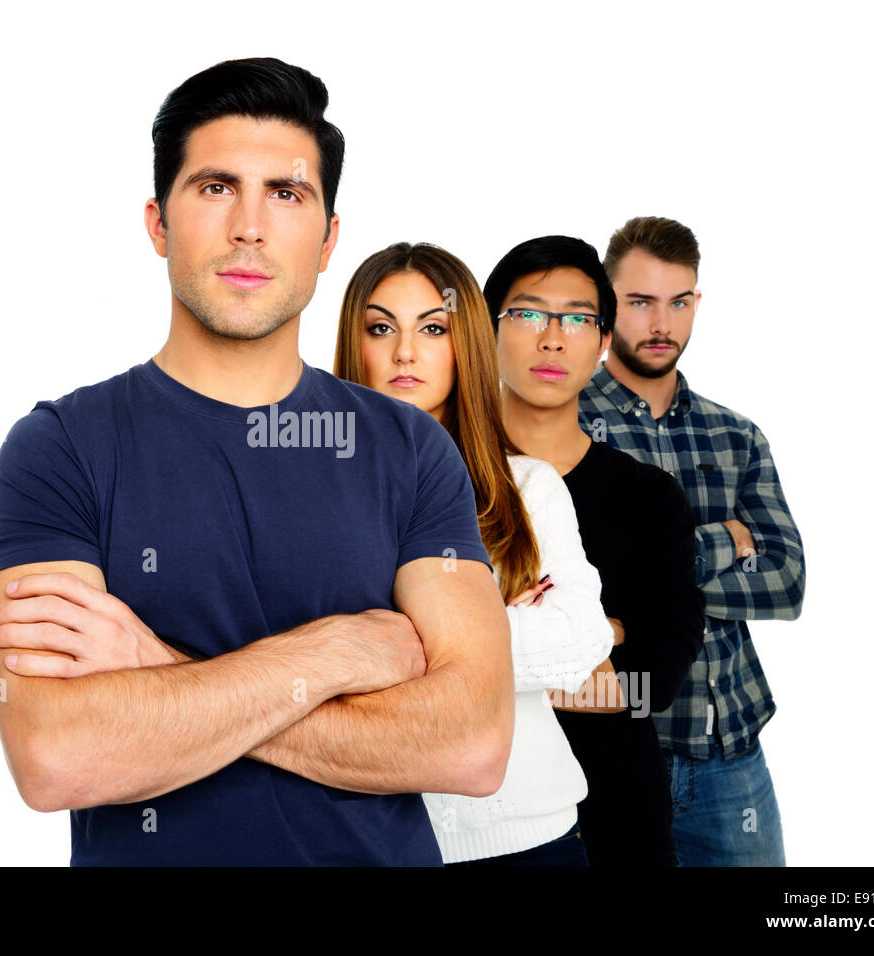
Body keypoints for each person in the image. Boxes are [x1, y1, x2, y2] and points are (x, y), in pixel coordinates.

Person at [0, 57, 515, 866]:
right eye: (217, 187)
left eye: (287, 193)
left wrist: (155, 670)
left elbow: (473, 744)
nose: (250, 228)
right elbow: (58, 756)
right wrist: (335, 653)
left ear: (329, 238)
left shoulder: (408, 449)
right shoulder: (61, 447)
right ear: (159, 223)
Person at [332, 241, 616, 866]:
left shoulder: (530, 487)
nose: (405, 351)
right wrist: (492, 621)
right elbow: (294, 656)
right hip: (370, 832)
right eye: (381, 328)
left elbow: (579, 644)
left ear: (466, 345)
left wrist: (385, 639)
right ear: (355, 345)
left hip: (530, 836)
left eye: (433, 328)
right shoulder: (310, 493)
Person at [579, 216, 806, 866]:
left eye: (679, 302)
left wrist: (655, 575)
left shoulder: (736, 436)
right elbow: (580, 588)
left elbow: (787, 580)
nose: (662, 323)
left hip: (732, 756)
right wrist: (724, 542)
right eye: (641, 301)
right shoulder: (566, 428)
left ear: (696, 303)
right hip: (615, 748)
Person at [482, 235, 707, 866]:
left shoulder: (649, 497)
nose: (553, 339)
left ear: (603, 341)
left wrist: (487, 652)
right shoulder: (441, 480)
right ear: (485, 328)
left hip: (619, 820)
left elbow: (654, 681)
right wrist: (594, 633)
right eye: (528, 314)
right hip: (479, 825)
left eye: (579, 319)